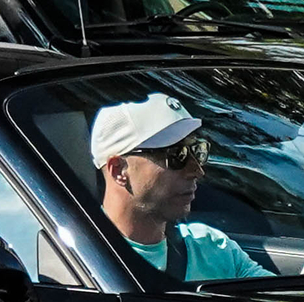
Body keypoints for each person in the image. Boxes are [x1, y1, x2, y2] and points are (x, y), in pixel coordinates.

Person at [91, 94, 270, 280]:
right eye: (176, 155)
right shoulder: (83, 260)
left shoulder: (214, 248)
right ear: (119, 169)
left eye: (197, 151)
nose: (197, 171)